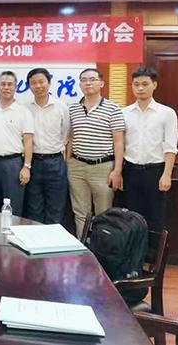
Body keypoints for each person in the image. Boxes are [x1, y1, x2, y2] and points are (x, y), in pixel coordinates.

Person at [67, 68, 125, 237]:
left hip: (103, 168)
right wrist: (68, 162)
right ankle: (83, 246)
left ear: (102, 83)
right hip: (77, 167)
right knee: (80, 212)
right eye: (84, 80)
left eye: (92, 79)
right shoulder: (73, 109)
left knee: (104, 214)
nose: (88, 83)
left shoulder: (113, 109)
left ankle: (101, 250)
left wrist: (117, 170)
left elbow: (119, 142)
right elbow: (70, 137)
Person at [123, 67, 178, 231]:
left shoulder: (167, 113)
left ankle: (154, 248)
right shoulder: (124, 113)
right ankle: (136, 248)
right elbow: (120, 145)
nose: (140, 88)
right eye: (136, 84)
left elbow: (170, 147)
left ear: (154, 85)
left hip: (155, 171)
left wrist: (167, 175)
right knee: (132, 218)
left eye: (145, 84)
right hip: (130, 171)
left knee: (155, 217)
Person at [0, 71, 33, 215]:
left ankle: (11, 231)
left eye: (10, 84)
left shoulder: (23, 111)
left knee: (13, 206)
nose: (6, 87)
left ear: (16, 87)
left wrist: (26, 167)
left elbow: (28, 141)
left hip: (13, 164)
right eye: (3, 84)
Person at [24, 68, 70, 224]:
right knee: (34, 208)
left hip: (55, 162)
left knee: (55, 208)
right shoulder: (25, 108)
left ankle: (53, 238)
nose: (38, 86)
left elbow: (65, 135)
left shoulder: (61, 107)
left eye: (41, 82)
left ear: (49, 83)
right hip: (33, 163)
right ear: (29, 86)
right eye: (34, 83)